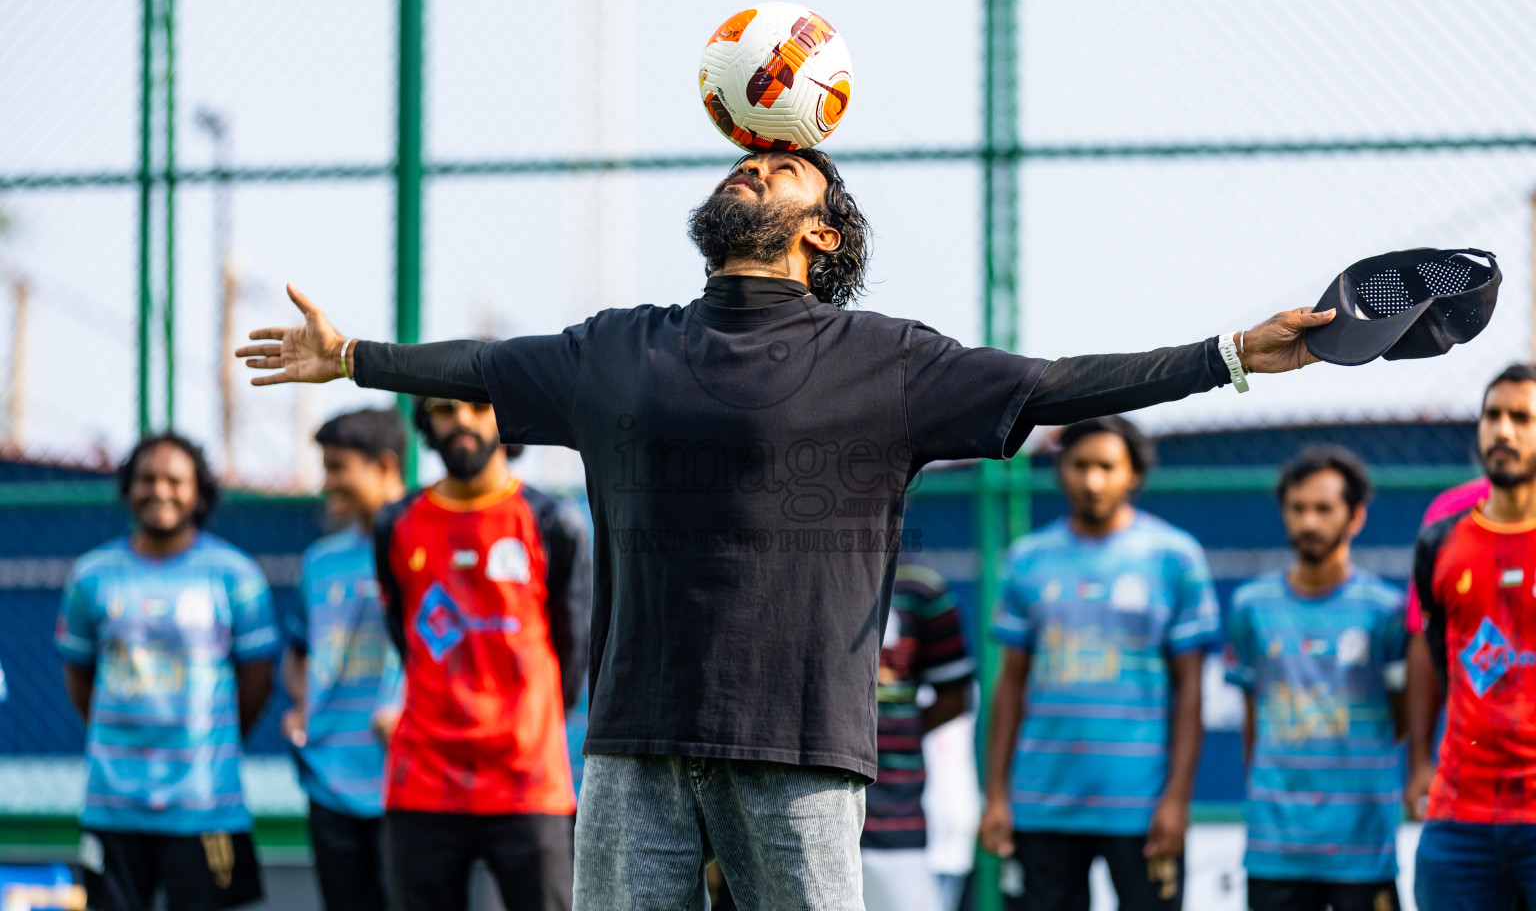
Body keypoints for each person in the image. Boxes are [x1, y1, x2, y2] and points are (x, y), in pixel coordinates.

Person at [237, 148, 1332, 910]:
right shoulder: (620, 346)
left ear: (822, 231)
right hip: (632, 743)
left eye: (786, 165)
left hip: (801, 745)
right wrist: (350, 358)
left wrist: (1230, 354)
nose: (753, 162)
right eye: (744, 159)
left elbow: (1052, 382)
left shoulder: (886, 359)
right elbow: (477, 367)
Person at [980, 416, 1220, 911]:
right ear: (1061, 470)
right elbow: (1010, 685)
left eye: (1107, 466)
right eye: (1079, 465)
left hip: (1142, 810)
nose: (1093, 480)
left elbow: (1191, 692)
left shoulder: (1175, 558)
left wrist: (1176, 799)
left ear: (1133, 473)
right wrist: (997, 794)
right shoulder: (1026, 560)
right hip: (1042, 804)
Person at [372, 395, 592, 911]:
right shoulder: (396, 524)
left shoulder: (552, 521)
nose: (462, 421)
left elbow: (573, 652)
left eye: (479, 405)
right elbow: (405, 639)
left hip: (528, 781)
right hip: (423, 780)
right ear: (425, 422)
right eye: (445, 409)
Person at [54, 433, 277, 911]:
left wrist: (209, 747)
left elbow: (258, 680)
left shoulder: (235, 575)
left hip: (205, 809)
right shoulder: (91, 576)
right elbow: (80, 679)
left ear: (199, 491)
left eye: (175, 480)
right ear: (127, 488)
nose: (160, 491)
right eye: (146, 479)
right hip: (113, 807)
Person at [1225, 447, 1406, 911]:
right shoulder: (1251, 606)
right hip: (1275, 848)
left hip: (1364, 848)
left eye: (1323, 509)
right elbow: (1253, 719)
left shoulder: (1387, 611)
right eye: (1297, 508)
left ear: (1356, 517)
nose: (1309, 522)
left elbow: (1402, 719)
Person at [1407, 363, 1536, 910]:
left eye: (1522, 418)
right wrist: (1419, 764)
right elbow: (1438, 657)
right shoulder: (1441, 541)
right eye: (1493, 415)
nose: (1502, 431)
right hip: (1459, 820)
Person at [281, 408, 408, 911]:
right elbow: (299, 654)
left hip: (409, 781)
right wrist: (299, 707)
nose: (326, 481)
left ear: (383, 465)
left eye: (338, 468)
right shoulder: (321, 560)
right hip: (331, 778)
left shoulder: (431, 540)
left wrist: (411, 709)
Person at [862, 563, 974, 911]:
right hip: (802, 808)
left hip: (896, 818)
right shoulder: (794, 575)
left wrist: (884, 739)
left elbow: (955, 696)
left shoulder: (919, 588)